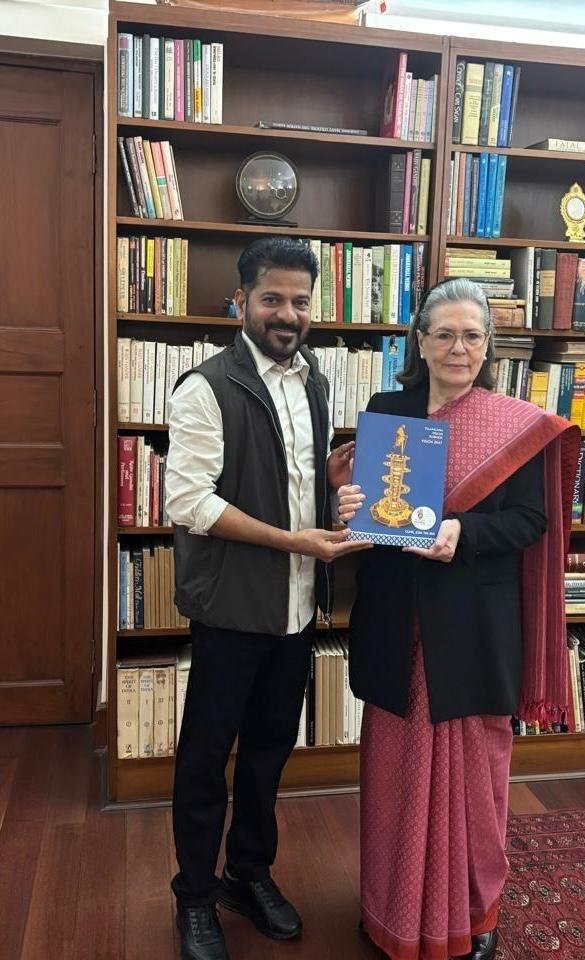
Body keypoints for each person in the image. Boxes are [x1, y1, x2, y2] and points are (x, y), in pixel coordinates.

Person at [337, 278, 580, 960]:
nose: (457, 348)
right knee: (393, 775)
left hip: (472, 627)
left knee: (476, 779)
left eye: (472, 336)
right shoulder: (387, 410)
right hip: (397, 622)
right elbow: (370, 510)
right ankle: (390, 911)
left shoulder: (515, 426)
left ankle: (475, 915)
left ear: (488, 345)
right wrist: (347, 500)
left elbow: (530, 521)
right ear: (420, 342)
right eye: (443, 334)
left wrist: (461, 532)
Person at [165, 236, 370, 960]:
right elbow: (190, 503)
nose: (288, 313)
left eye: (300, 301)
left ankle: (247, 875)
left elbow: (290, 482)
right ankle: (194, 896)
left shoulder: (313, 382)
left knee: (267, 754)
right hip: (231, 609)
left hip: (296, 607)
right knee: (205, 759)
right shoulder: (204, 388)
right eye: (272, 298)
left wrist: (331, 481)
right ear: (241, 301)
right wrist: (293, 541)